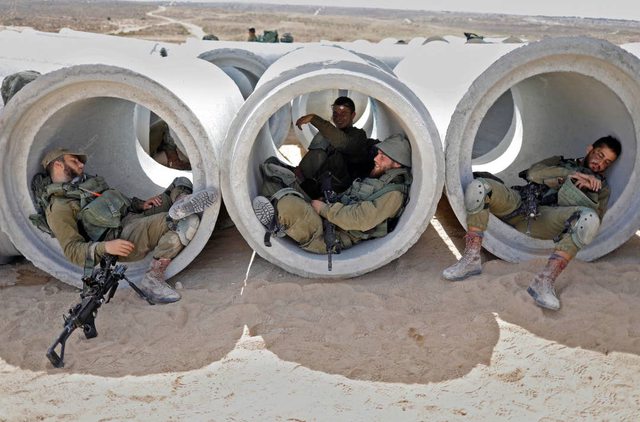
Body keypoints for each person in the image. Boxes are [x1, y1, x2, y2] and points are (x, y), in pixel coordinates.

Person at [442, 136, 622, 311]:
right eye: (599, 155)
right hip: (521, 202)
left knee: (589, 219)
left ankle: (544, 282)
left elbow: (592, 225)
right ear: (590, 149)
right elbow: (533, 174)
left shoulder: (602, 188)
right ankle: (471, 259)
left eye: (607, 162)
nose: (600, 163)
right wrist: (570, 175)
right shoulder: (560, 162)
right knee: (479, 187)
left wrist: (587, 192)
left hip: (545, 220)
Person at [38, 148, 217, 304]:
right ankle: (152, 279)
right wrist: (106, 247)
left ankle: (181, 203)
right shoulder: (59, 208)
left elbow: (115, 203)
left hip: (133, 217)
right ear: (58, 165)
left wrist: (141, 205)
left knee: (181, 182)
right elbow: (72, 250)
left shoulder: (86, 184)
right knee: (186, 223)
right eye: (74, 161)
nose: (81, 164)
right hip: (121, 237)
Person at [252, 134, 412, 255]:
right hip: (329, 217)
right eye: (378, 153)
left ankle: (277, 223)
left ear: (397, 164)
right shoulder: (380, 179)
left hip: (331, 234)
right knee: (275, 176)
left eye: (383, 157)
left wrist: (323, 209)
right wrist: (329, 201)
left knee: (289, 205)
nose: (376, 158)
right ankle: (277, 215)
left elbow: (361, 219)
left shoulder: (393, 194)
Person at [292, 96, 376, 198]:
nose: (338, 118)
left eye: (343, 114)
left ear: (353, 115)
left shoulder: (359, 135)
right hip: (318, 182)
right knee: (323, 136)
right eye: (335, 114)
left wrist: (314, 119)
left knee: (324, 135)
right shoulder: (328, 135)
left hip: (341, 187)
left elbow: (345, 144)